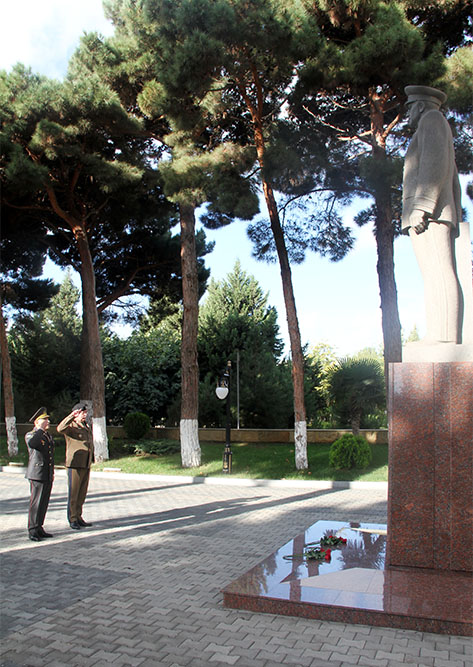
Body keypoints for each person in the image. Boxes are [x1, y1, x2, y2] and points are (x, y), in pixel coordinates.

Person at [402, 84, 472, 347]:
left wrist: (422, 205)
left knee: (438, 271)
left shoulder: (432, 119)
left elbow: (435, 163)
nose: (407, 113)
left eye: (410, 107)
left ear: (420, 105)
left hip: (430, 214)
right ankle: (440, 333)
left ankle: (443, 337)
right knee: (433, 272)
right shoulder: (432, 124)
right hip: (431, 212)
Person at [57, 403, 93, 530]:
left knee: (82, 493)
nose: (85, 415)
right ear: (76, 413)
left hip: (85, 463)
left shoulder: (86, 426)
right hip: (74, 464)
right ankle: (72, 518)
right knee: (74, 493)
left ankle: (78, 516)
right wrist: (71, 416)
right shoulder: (71, 426)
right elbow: (60, 428)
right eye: (83, 413)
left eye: (85, 413)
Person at [25, 407, 55, 541]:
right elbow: (33, 444)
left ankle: (39, 527)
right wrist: (40, 429)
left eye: (47, 419)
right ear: (37, 422)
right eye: (45, 419)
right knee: (36, 502)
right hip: (37, 473)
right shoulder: (32, 435)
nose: (47, 421)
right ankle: (32, 529)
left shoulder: (46, 435)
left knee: (43, 502)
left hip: (46, 473)